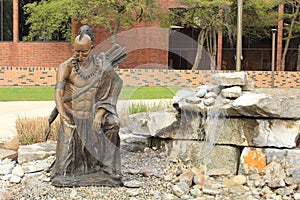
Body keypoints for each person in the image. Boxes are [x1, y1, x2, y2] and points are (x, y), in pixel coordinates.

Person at [50, 26, 123, 187]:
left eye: (84, 52)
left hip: (93, 114)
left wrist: (100, 113)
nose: (80, 56)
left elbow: (111, 91)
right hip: (72, 115)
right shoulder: (66, 67)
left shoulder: (102, 67)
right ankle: (73, 172)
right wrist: (62, 115)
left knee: (113, 123)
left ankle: (109, 168)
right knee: (61, 174)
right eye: (77, 52)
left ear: (92, 48)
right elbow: (58, 93)